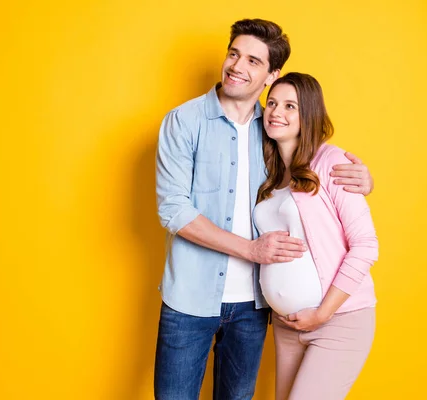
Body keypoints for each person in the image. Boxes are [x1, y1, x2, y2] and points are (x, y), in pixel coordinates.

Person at [155, 19, 374, 399]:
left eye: (253, 61)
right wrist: (250, 250)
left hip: (253, 308)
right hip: (190, 296)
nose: (238, 66)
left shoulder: (273, 132)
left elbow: (317, 174)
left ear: (271, 74)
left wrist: (363, 180)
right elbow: (173, 209)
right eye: (234, 53)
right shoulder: (184, 121)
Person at [254, 72, 378, 400]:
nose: (276, 112)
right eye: (273, 103)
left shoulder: (331, 162)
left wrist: (322, 314)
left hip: (338, 321)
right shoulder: (269, 173)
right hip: (286, 325)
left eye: (290, 106)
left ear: (308, 114)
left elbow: (366, 246)